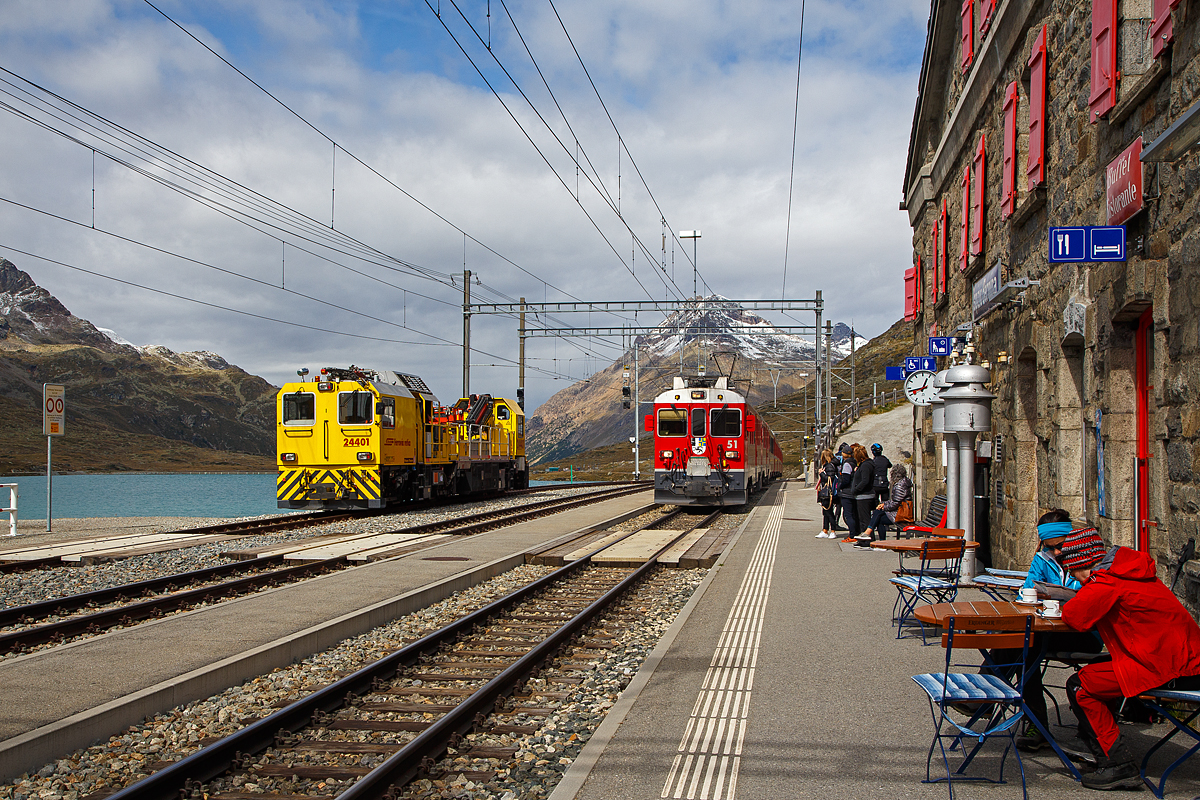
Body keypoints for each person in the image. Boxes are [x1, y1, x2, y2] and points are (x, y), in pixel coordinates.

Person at [1060, 527, 1200, 790]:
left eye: (1072, 572)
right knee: (1096, 671)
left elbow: (1075, 616)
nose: (1074, 579)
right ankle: (1105, 748)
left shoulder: (1107, 581)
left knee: (1081, 686)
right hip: (1184, 660)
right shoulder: (1131, 572)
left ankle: (1116, 764)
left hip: (1167, 668)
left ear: (1082, 565)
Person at [1001, 510, 1102, 754]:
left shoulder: (1086, 559)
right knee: (1027, 645)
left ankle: (987, 690)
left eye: (1060, 546)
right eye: (1049, 546)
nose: (1056, 552)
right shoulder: (1042, 559)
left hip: (1086, 634)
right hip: (1053, 628)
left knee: (1027, 642)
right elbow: (1027, 590)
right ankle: (1036, 724)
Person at [861, 464, 912, 542]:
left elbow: (895, 503)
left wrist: (884, 507)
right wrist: (883, 504)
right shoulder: (903, 483)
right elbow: (895, 501)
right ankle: (872, 534)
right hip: (899, 511)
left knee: (878, 516)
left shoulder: (900, 486)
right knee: (878, 515)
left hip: (901, 514)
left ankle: (870, 533)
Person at [848, 444, 875, 548]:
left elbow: (865, 481)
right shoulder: (865, 465)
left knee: (865, 520)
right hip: (862, 496)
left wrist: (855, 489)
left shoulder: (866, 466)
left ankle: (868, 540)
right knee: (861, 519)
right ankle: (862, 539)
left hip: (865, 496)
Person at [815, 449, 839, 538]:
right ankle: (825, 530)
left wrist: (821, 473)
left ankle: (833, 531)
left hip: (828, 493)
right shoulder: (830, 465)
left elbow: (829, 478)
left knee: (829, 512)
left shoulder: (829, 466)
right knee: (825, 512)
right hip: (827, 493)